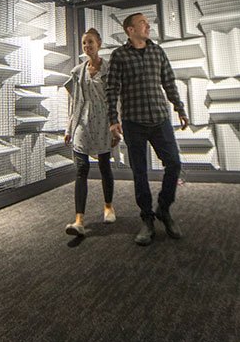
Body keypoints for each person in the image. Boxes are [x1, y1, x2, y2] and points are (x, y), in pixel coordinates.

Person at [106, 12, 188, 246]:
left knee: (174, 164)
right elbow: (111, 89)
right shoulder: (119, 55)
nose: (147, 25)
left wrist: (180, 108)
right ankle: (147, 219)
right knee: (139, 172)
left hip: (160, 119)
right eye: (142, 23)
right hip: (133, 122)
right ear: (130, 30)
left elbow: (169, 82)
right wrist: (113, 119)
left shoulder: (157, 51)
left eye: (147, 22)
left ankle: (163, 208)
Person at [63, 28, 117, 237]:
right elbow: (74, 102)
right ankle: (79, 220)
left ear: (99, 44)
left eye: (91, 42)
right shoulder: (78, 71)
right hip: (83, 122)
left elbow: (117, 100)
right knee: (81, 169)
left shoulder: (110, 69)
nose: (87, 46)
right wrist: (69, 128)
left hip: (104, 121)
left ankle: (108, 207)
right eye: (84, 43)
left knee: (104, 166)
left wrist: (116, 125)